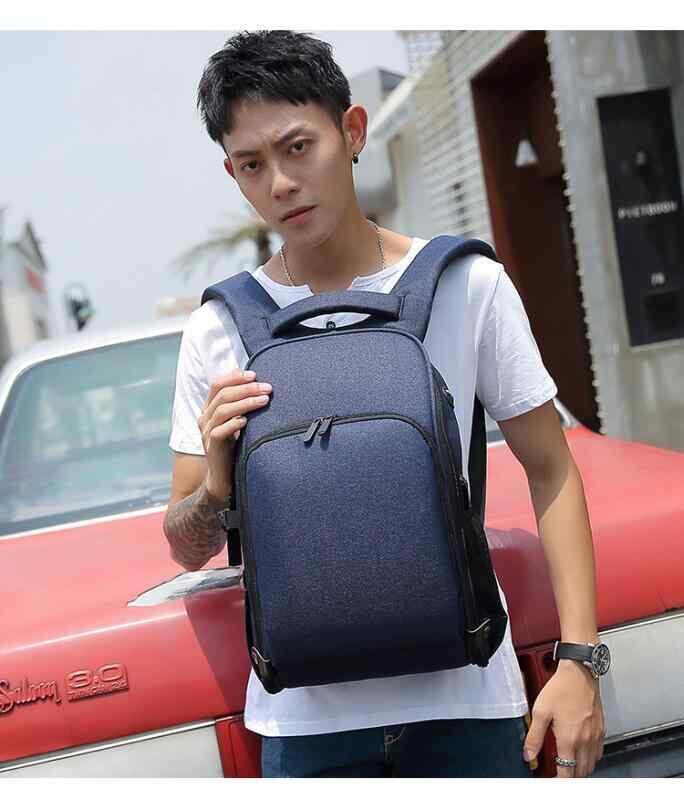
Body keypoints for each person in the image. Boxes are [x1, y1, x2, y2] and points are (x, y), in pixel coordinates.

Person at [163, 29, 606, 778]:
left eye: (298, 147)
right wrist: (214, 482)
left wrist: (581, 660)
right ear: (233, 173)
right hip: (304, 723)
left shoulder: (466, 284)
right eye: (252, 164)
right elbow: (183, 546)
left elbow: (551, 469)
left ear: (353, 131)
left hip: (468, 704)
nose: (281, 183)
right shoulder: (218, 328)